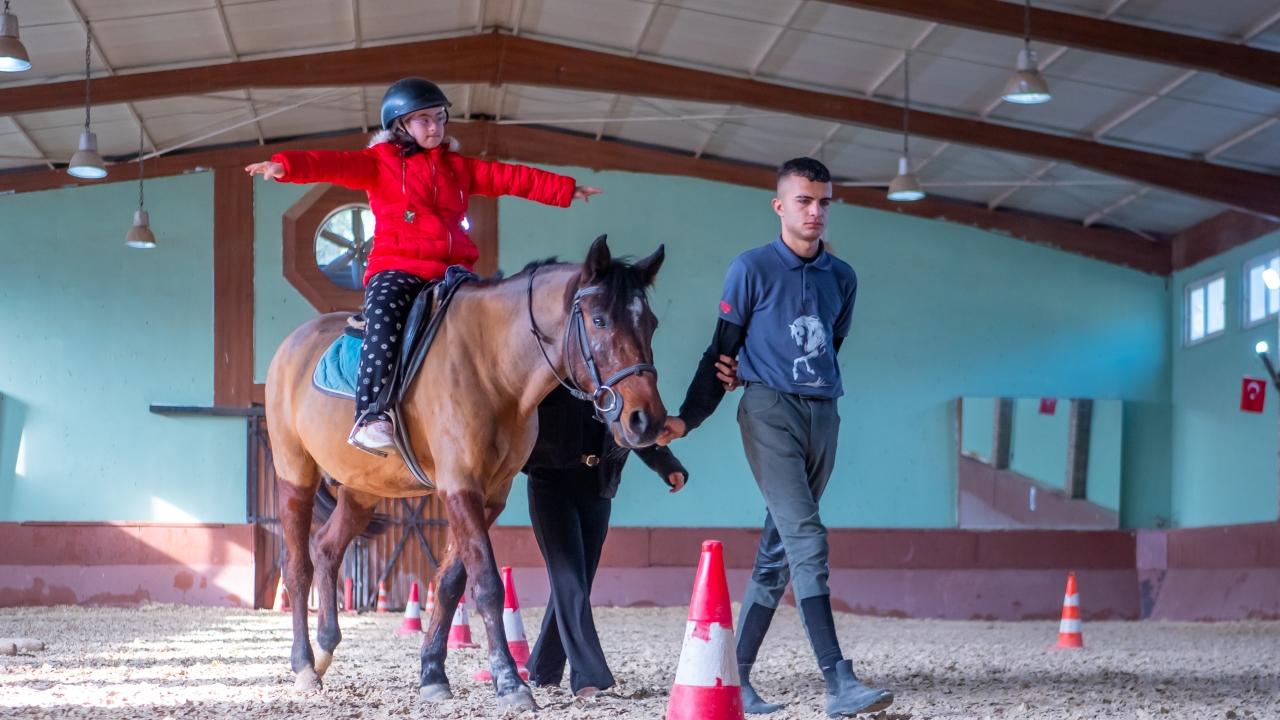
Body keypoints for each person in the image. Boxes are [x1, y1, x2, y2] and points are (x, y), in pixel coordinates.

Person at [246, 77, 601, 453]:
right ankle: (370, 414)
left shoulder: (458, 168)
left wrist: (564, 189)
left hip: (452, 274)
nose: (435, 127)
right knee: (383, 324)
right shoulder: (378, 164)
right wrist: (286, 166)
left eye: (439, 118)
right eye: (424, 120)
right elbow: (333, 164)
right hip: (396, 268)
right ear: (401, 125)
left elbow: (509, 178)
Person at [657, 157, 893, 716]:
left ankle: (733, 677)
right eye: (804, 201)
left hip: (824, 414)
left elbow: (828, 347)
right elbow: (722, 352)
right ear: (780, 205)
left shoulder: (843, 277)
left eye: (824, 202)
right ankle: (838, 680)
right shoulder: (751, 269)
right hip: (769, 412)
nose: (815, 211)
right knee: (807, 537)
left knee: (780, 549)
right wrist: (688, 419)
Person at [523, 385, 687, 698]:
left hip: (599, 485)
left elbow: (634, 427)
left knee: (578, 581)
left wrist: (666, 465)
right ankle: (589, 675)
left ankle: (543, 668)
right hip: (549, 482)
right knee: (569, 578)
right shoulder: (551, 375)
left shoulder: (614, 379)